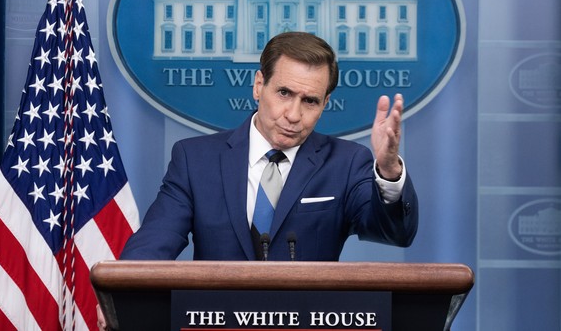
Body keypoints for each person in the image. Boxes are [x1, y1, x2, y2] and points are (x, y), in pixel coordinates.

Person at [119, 31, 417, 262]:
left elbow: (394, 233)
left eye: (310, 101)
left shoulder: (346, 162)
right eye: (284, 93)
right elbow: (156, 240)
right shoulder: (195, 159)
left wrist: (389, 170)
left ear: (325, 103)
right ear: (259, 85)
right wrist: (124, 294)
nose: (293, 114)